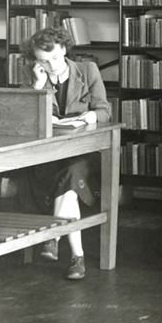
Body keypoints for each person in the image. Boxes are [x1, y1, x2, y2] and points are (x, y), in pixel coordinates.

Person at [17, 27, 111, 280]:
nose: (51, 66)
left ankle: (53, 238)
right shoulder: (31, 76)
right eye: (43, 61)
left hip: (83, 153)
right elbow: (25, 118)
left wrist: (89, 116)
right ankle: (77, 257)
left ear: (65, 50)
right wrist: (38, 88)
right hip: (48, 157)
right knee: (68, 186)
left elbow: (104, 111)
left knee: (73, 174)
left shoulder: (87, 70)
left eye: (55, 59)